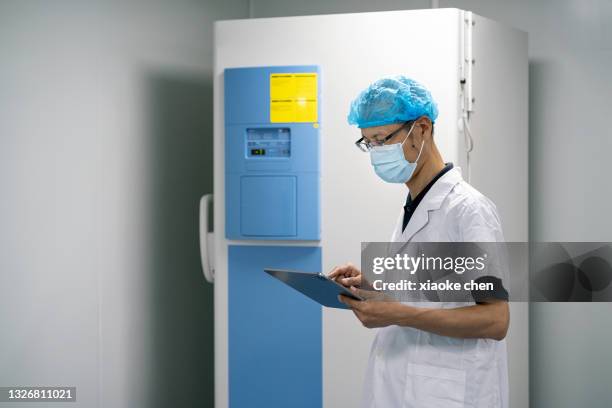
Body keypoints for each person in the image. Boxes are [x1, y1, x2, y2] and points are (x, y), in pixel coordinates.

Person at [329, 76, 510, 408]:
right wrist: (374, 289)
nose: (377, 153)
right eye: (369, 143)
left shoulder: (469, 210)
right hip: (407, 387)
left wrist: (398, 312)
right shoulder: (414, 206)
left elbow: (495, 320)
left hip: (452, 392)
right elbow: (430, 295)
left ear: (423, 128)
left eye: (383, 139)